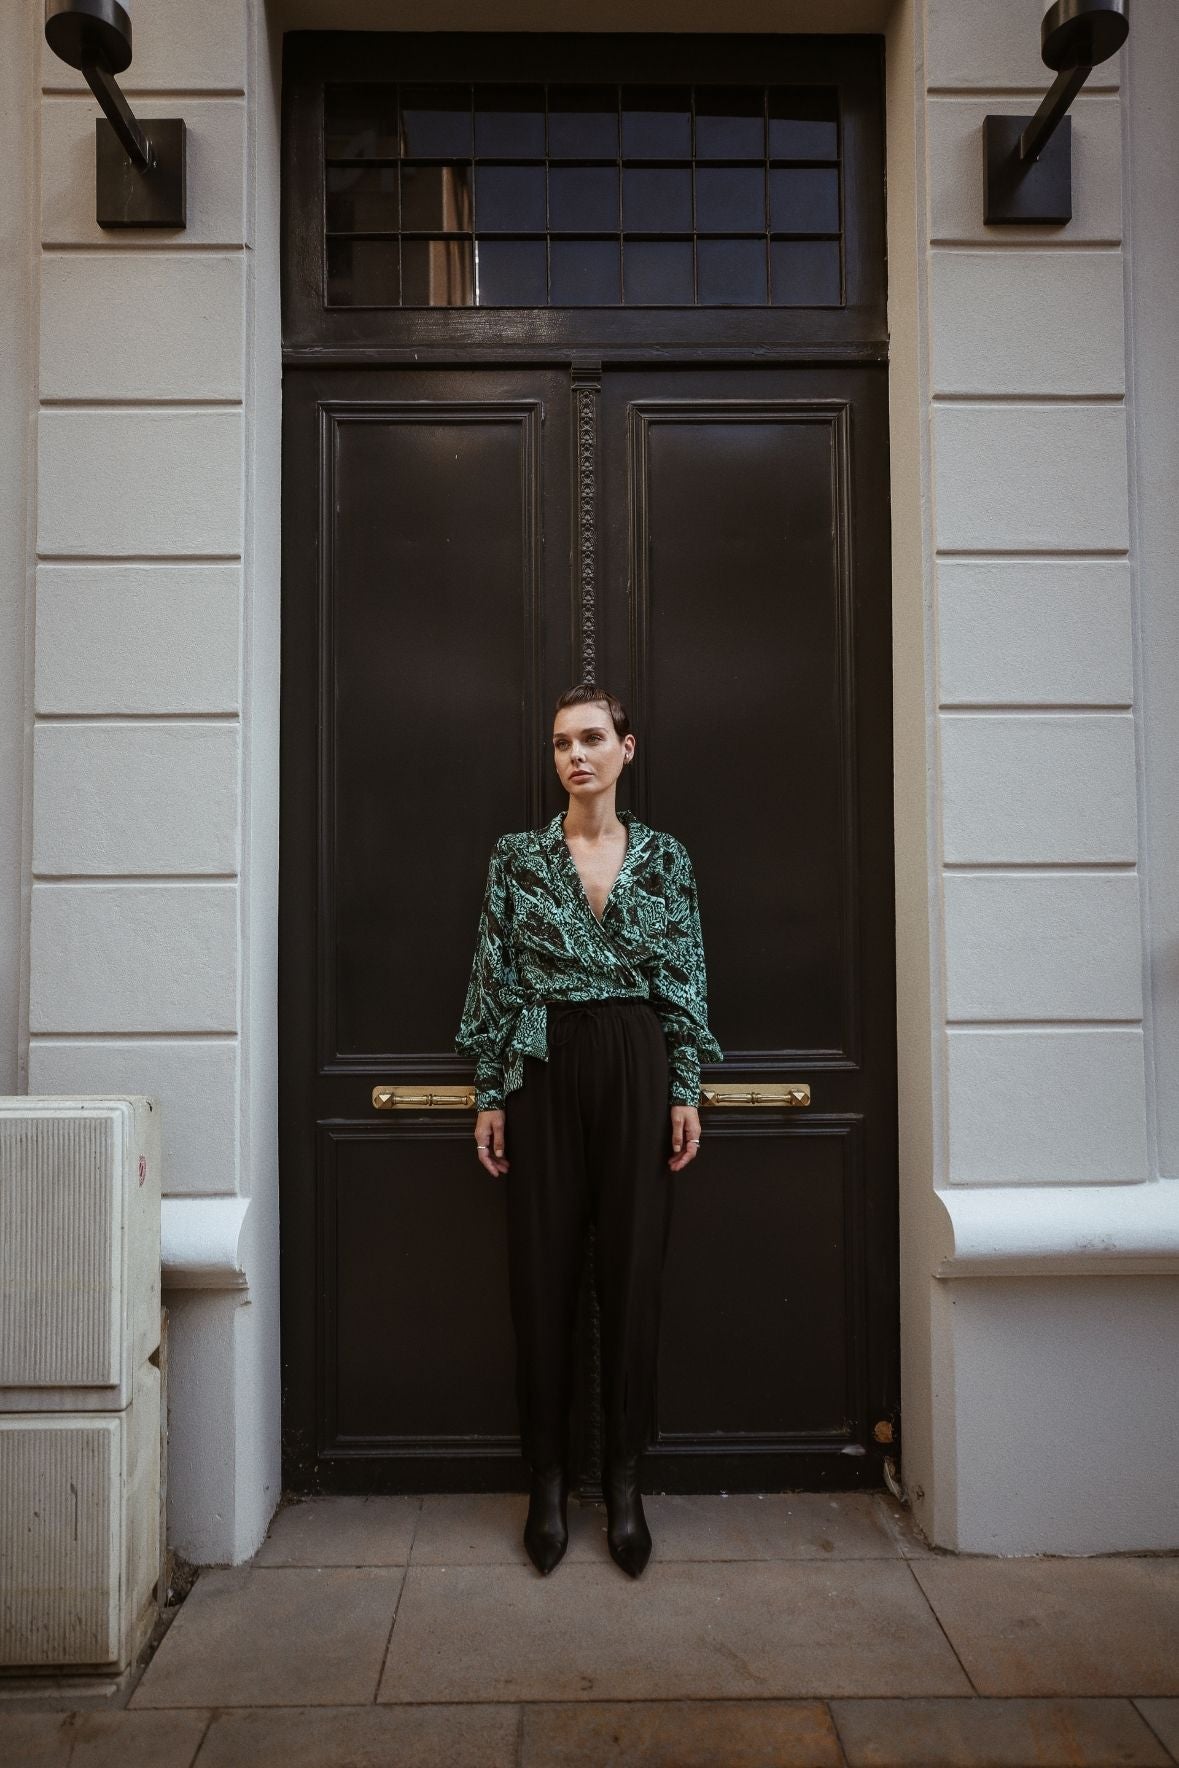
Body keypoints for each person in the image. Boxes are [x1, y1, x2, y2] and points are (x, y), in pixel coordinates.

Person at [454, 683, 723, 1578]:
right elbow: (492, 976)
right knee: (542, 1273)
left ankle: (623, 1481)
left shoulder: (667, 859)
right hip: (543, 1058)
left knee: (633, 1270)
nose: (577, 754)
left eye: (593, 738)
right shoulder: (518, 858)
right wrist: (490, 1093)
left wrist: (684, 1084)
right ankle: (545, 1478)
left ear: (626, 750)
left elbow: (684, 973)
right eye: (563, 741)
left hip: (637, 1055)